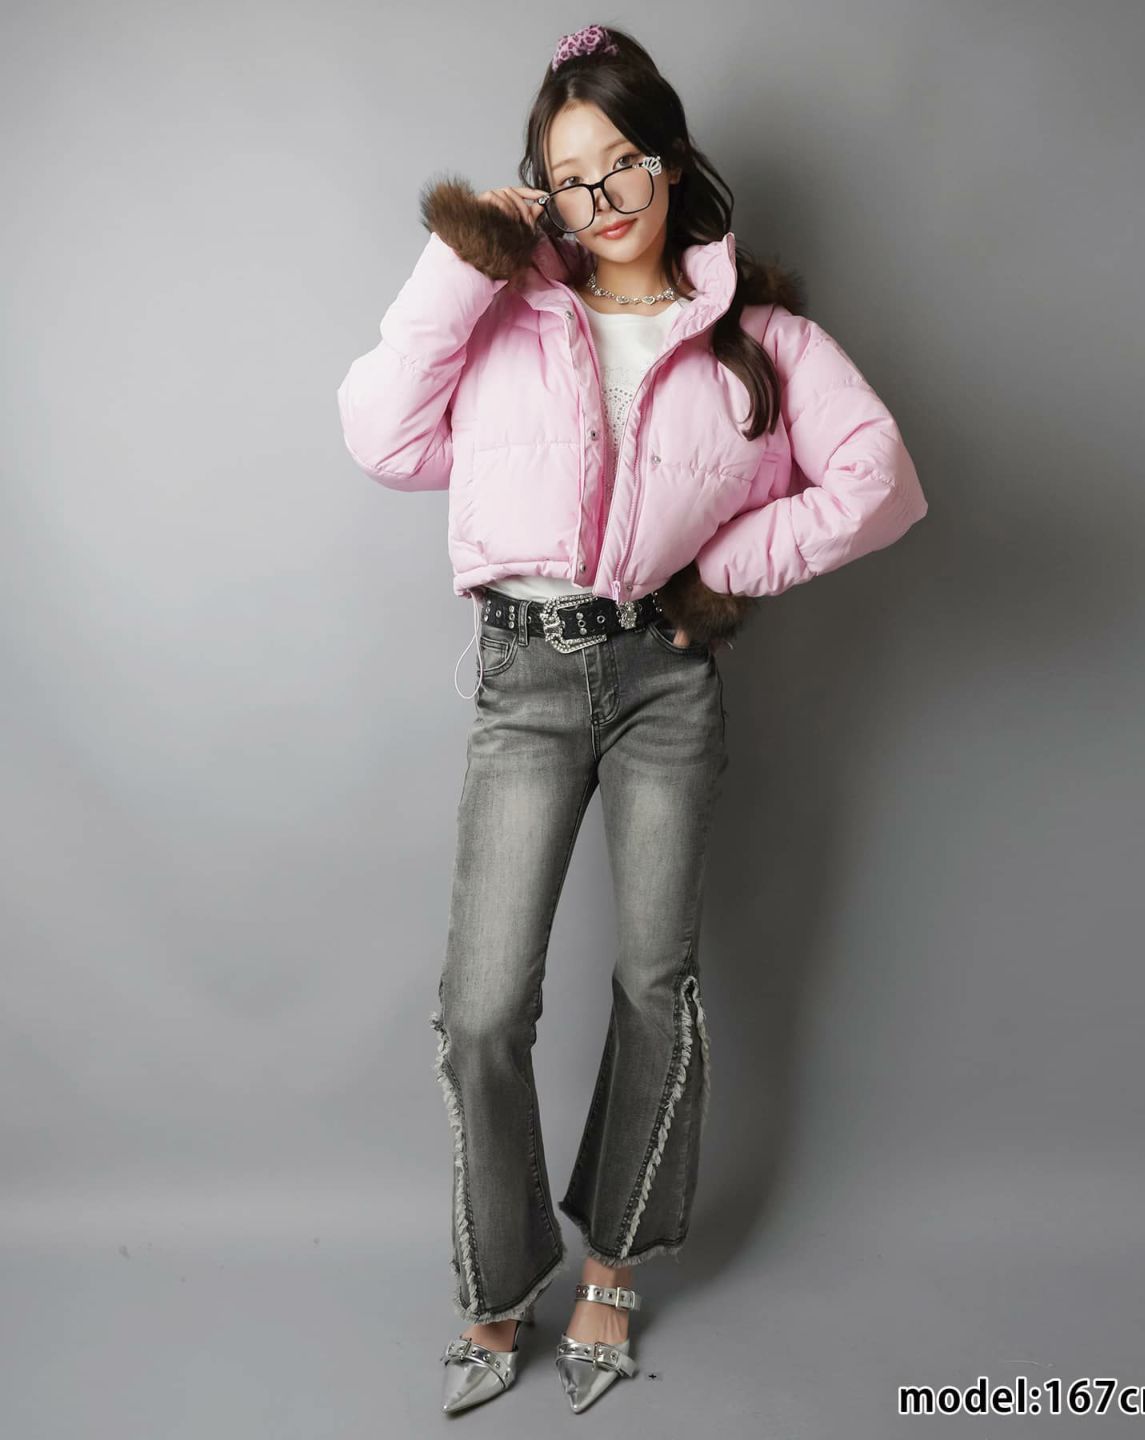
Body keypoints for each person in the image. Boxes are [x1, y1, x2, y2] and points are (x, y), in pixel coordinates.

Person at [335, 22, 928, 1416]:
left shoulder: (758, 341)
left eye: (621, 164)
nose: (600, 199)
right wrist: (466, 256)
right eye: (567, 177)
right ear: (537, 189)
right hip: (524, 682)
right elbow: (380, 437)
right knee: (484, 1010)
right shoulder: (503, 316)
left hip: (665, 686)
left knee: (658, 983)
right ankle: (499, 1281)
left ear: (669, 161)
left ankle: (615, 1265)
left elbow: (881, 479)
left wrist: (721, 572)